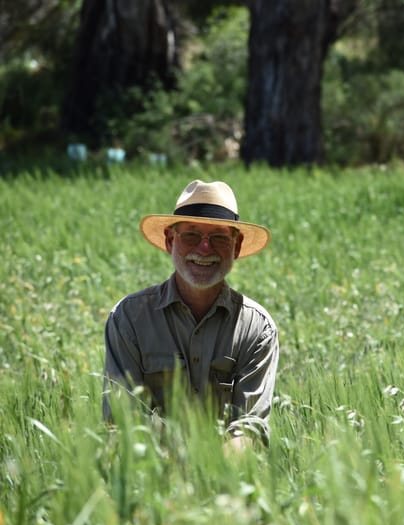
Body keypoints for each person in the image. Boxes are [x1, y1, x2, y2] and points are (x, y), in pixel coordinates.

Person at [102, 180, 279, 451]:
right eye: (191, 236)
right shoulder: (128, 319)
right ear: (171, 241)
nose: (204, 249)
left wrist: (210, 480)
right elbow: (122, 422)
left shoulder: (257, 328)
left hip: (228, 482)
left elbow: (249, 428)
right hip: (149, 478)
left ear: (237, 246)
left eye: (219, 237)